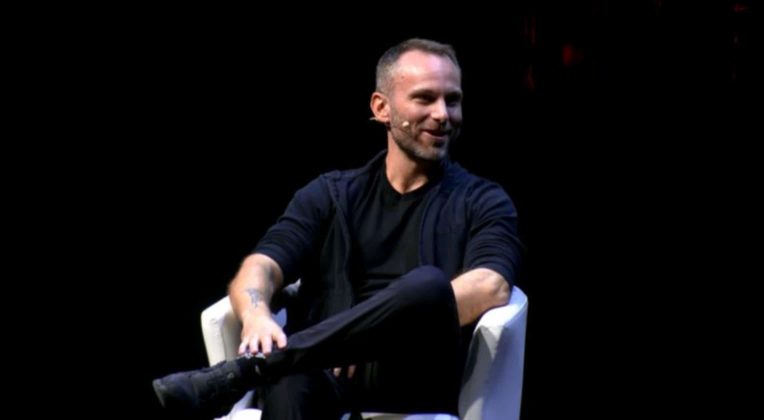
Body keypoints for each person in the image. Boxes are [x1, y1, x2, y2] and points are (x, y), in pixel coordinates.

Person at [152, 38, 523, 419]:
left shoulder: (483, 199)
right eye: (425, 98)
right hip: (323, 378)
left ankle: (252, 370)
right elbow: (263, 265)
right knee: (289, 384)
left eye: (453, 100)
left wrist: (362, 340)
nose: (443, 114)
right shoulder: (330, 194)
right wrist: (256, 313)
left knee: (429, 286)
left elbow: (491, 285)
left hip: (412, 376)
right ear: (381, 108)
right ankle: (278, 367)